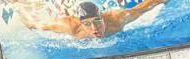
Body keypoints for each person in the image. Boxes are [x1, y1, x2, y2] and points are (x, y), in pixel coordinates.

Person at [13, 0, 167, 40]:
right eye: (87, 24)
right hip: (68, 14)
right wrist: (16, 5)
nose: (94, 28)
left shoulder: (117, 19)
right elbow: (35, 23)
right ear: (81, 24)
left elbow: (144, 7)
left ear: (102, 17)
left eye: (97, 21)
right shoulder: (70, 26)